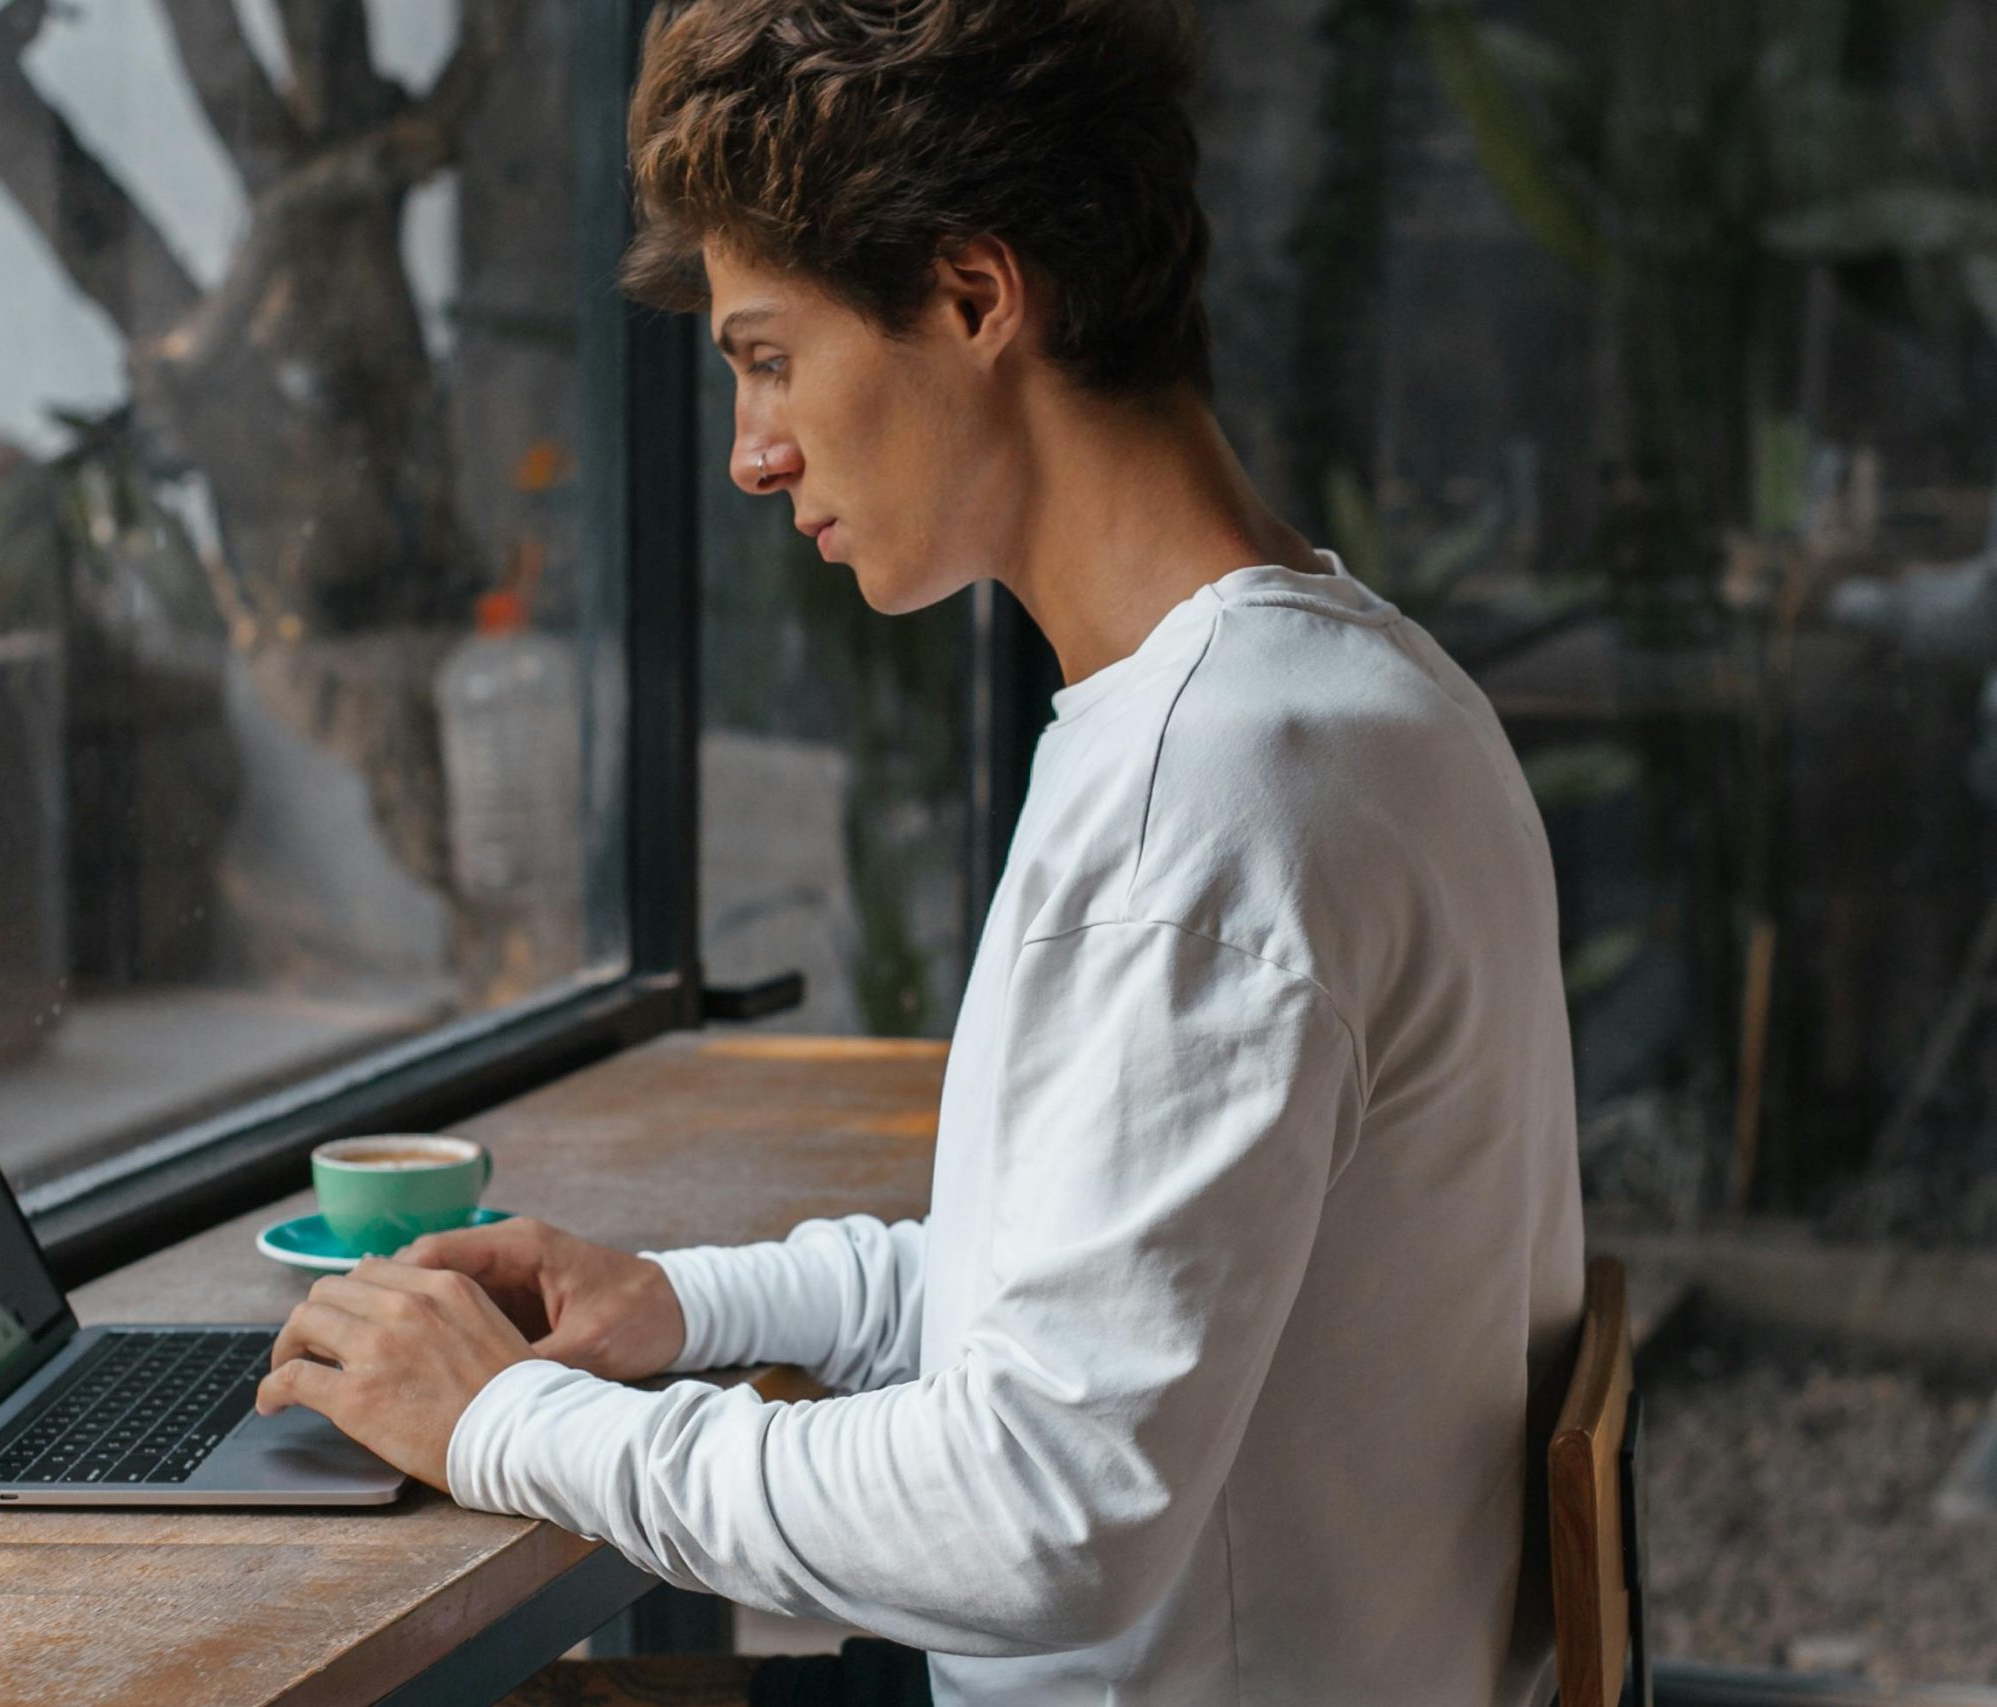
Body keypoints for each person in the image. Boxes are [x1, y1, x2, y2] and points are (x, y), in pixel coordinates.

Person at [253, 2, 1586, 1702]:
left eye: (769, 357)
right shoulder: (1339, 691)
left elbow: (1045, 1513)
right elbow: (1062, 1294)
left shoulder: (1215, 798)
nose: (751, 453)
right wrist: (677, 1305)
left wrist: (505, 1421)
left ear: (972, 298)